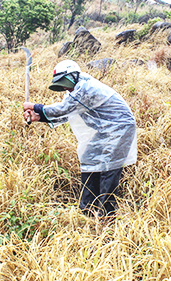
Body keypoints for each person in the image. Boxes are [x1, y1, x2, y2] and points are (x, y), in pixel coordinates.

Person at [23, 60, 137, 218]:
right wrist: (39, 116)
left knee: (108, 168)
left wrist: (36, 107)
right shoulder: (75, 90)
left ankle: (106, 216)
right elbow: (67, 113)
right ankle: (87, 210)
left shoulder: (86, 87)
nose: (65, 88)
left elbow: (64, 109)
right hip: (105, 130)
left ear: (73, 76)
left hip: (120, 128)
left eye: (65, 83)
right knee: (89, 159)